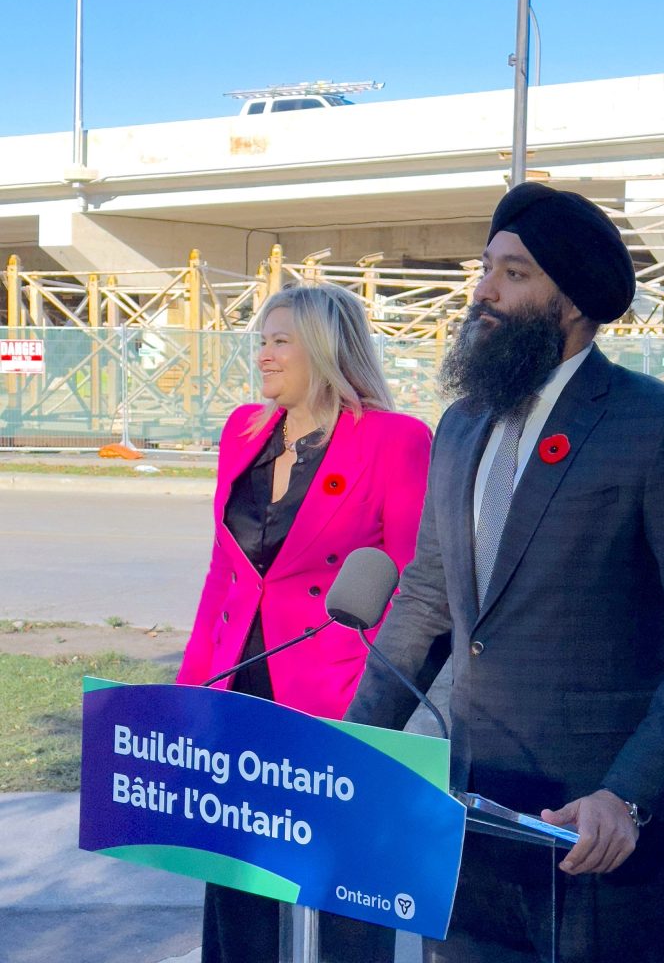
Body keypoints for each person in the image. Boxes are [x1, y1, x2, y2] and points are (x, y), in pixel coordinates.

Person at [345, 183, 664, 963]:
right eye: (486, 268)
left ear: (570, 300)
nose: (484, 291)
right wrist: (352, 750)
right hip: (471, 824)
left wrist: (629, 794)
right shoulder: (463, 423)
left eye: (514, 274)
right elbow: (428, 601)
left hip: (600, 836)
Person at [177, 282, 431, 963]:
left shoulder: (396, 440)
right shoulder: (241, 432)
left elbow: (411, 586)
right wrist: (191, 692)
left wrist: (371, 703)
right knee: (236, 884)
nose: (262, 355)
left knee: (344, 898)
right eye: (261, 340)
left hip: (339, 701)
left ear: (323, 347)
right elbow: (222, 577)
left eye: (279, 340)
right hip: (237, 693)